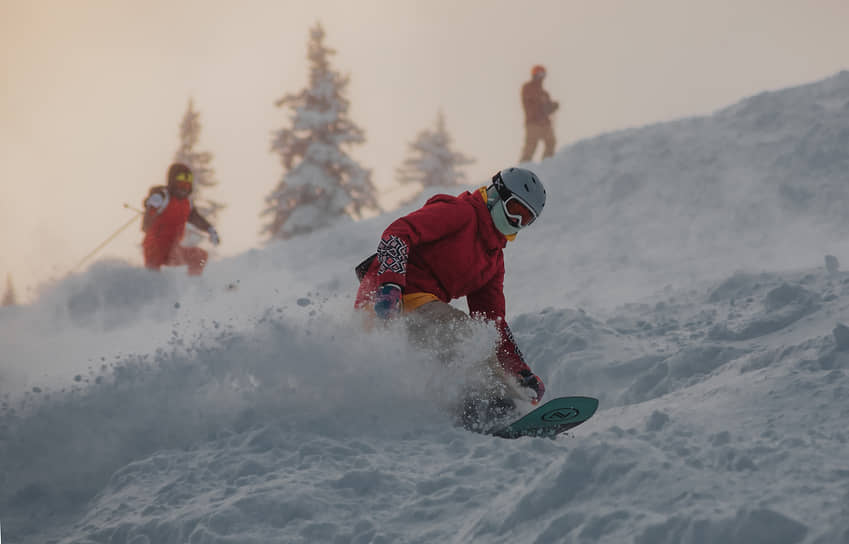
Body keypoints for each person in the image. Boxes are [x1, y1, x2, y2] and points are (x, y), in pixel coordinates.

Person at [354, 167, 547, 428]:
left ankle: (504, 408)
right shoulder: (460, 213)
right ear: (496, 195)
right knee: (463, 334)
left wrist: (519, 371)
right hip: (389, 299)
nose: (516, 222)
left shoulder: (492, 260)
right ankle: (492, 409)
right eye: (515, 209)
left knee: (479, 342)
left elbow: (492, 323)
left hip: (418, 308)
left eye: (526, 219)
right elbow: (397, 233)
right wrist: (390, 285)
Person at [141, 163, 220, 276]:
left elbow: (195, 218)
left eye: (187, 185)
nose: (183, 188)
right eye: (181, 183)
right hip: (154, 248)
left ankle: (193, 284)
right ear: (173, 182)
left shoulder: (187, 203)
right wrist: (151, 206)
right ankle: (152, 285)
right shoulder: (163, 197)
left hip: (172, 250)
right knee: (154, 274)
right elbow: (146, 224)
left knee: (200, 256)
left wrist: (210, 229)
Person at [520, 64, 559, 162]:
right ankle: (523, 166)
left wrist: (552, 106)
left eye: (543, 75)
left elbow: (547, 108)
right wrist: (543, 107)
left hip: (545, 123)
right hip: (533, 122)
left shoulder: (544, 93)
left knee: (551, 142)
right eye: (539, 74)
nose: (541, 77)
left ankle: (547, 162)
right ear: (534, 75)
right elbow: (530, 103)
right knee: (530, 146)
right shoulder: (528, 88)